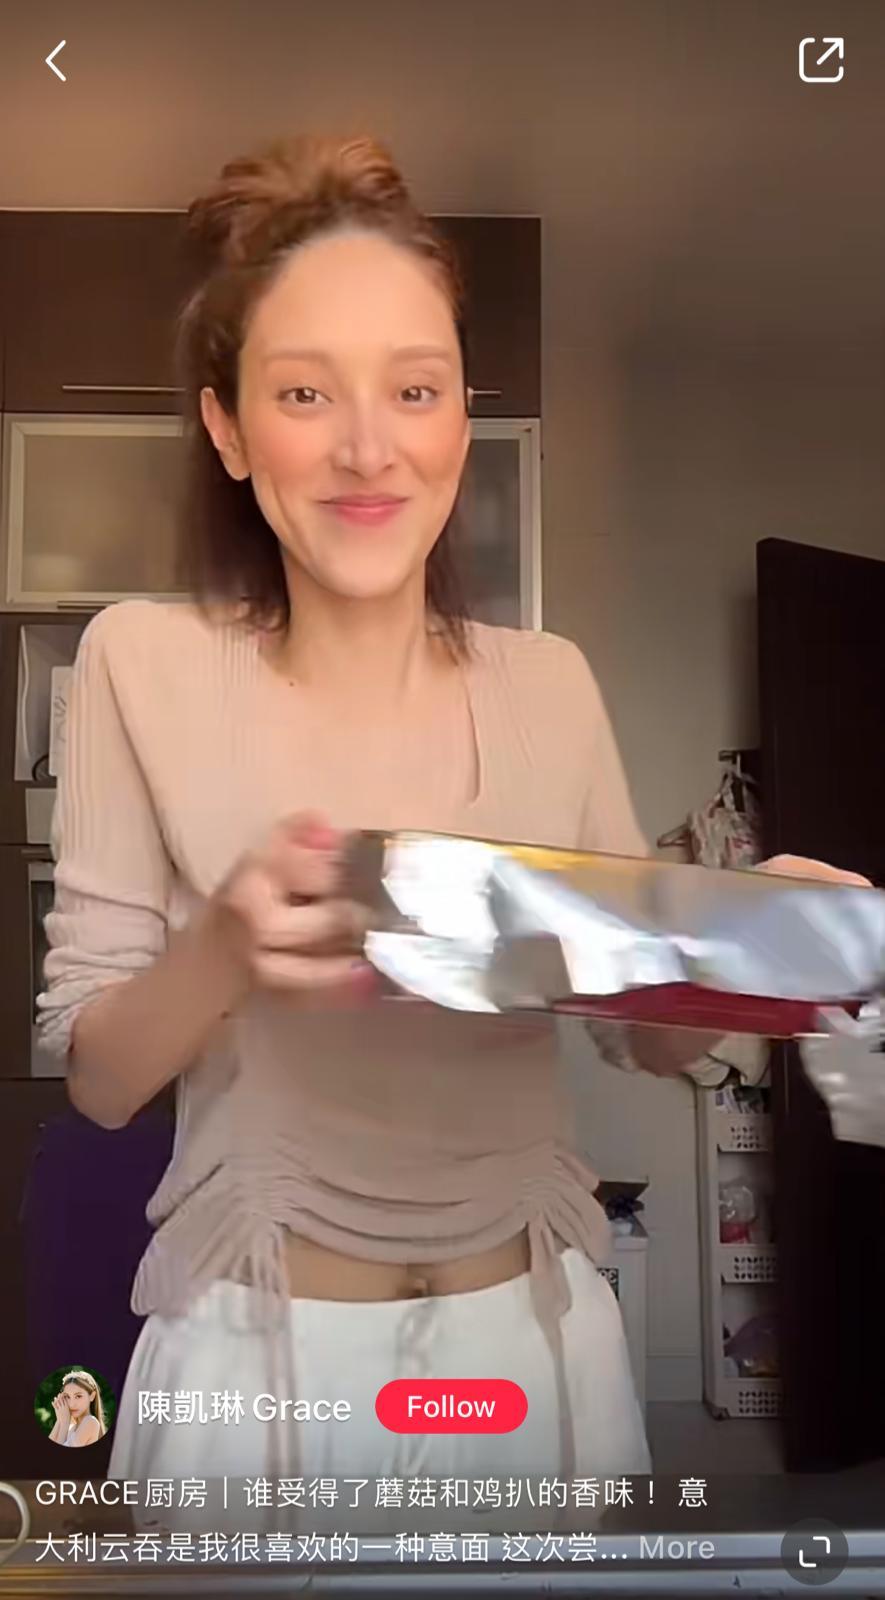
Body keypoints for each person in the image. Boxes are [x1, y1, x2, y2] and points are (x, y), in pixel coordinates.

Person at [36, 132, 866, 1492]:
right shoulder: (141, 662)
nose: (369, 447)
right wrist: (227, 945)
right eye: (305, 392)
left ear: (457, 419)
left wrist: (755, 945)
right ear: (229, 429)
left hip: (534, 1345)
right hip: (259, 1357)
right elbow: (99, 1077)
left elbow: (640, 1031)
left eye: (412, 389)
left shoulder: (550, 684)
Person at [47, 1369, 107, 1447]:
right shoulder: (71, 1427)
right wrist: (59, 1420)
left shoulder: (90, 1421)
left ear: (92, 1396)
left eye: (78, 1396)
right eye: (67, 1396)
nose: (72, 1404)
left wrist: (64, 1423)